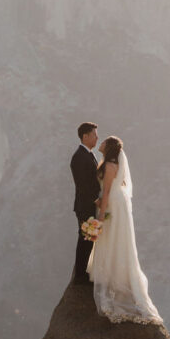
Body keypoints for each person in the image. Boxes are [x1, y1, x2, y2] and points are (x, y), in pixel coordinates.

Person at [86, 135, 162, 325]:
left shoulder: (110, 167)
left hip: (113, 204)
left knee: (113, 238)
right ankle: (110, 272)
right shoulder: (106, 163)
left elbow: (108, 192)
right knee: (112, 238)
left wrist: (101, 215)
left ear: (109, 147)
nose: (100, 143)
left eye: (103, 142)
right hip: (112, 202)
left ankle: (114, 277)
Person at [69, 121, 101, 285]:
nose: (97, 138)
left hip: (88, 204)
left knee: (88, 238)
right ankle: (80, 275)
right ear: (85, 136)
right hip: (85, 205)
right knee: (85, 238)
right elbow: (83, 186)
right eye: (94, 135)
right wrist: (96, 200)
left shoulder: (87, 154)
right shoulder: (80, 157)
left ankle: (82, 272)